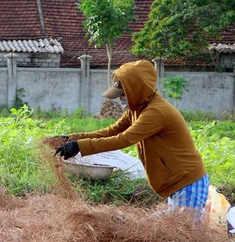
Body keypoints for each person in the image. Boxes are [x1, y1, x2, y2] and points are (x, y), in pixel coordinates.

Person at [52, 60, 208, 213]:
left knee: (186, 234)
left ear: (137, 90)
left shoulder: (156, 112)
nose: (120, 99)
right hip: (175, 183)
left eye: (123, 94)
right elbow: (110, 131)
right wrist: (71, 139)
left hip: (188, 182)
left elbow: (124, 139)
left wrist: (80, 147)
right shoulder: (136, 109)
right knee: (173, 231)